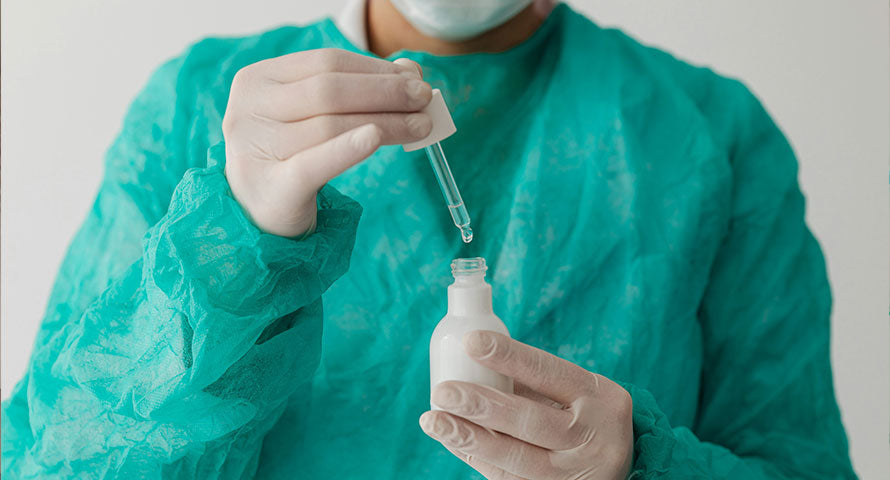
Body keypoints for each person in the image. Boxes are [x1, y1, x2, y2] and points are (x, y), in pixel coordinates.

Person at [0, 0, 858, 478]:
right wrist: (230, 239)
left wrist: (642, 467)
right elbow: (53, 462)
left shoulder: (708, 136)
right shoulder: (200, 107)